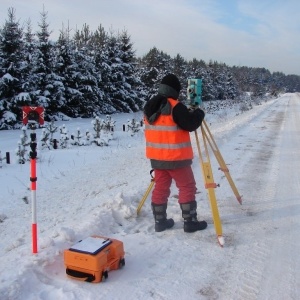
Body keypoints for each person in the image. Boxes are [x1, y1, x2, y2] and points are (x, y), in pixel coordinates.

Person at [143, 73, 208, 233]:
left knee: (161, 188)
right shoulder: (175, 106)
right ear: (175, 90)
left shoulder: (150, 105)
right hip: (176, 158)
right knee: (187, 186)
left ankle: (160, 222)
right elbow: (190, 124)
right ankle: (190, 221)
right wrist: (199, 113)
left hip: (157, 159)